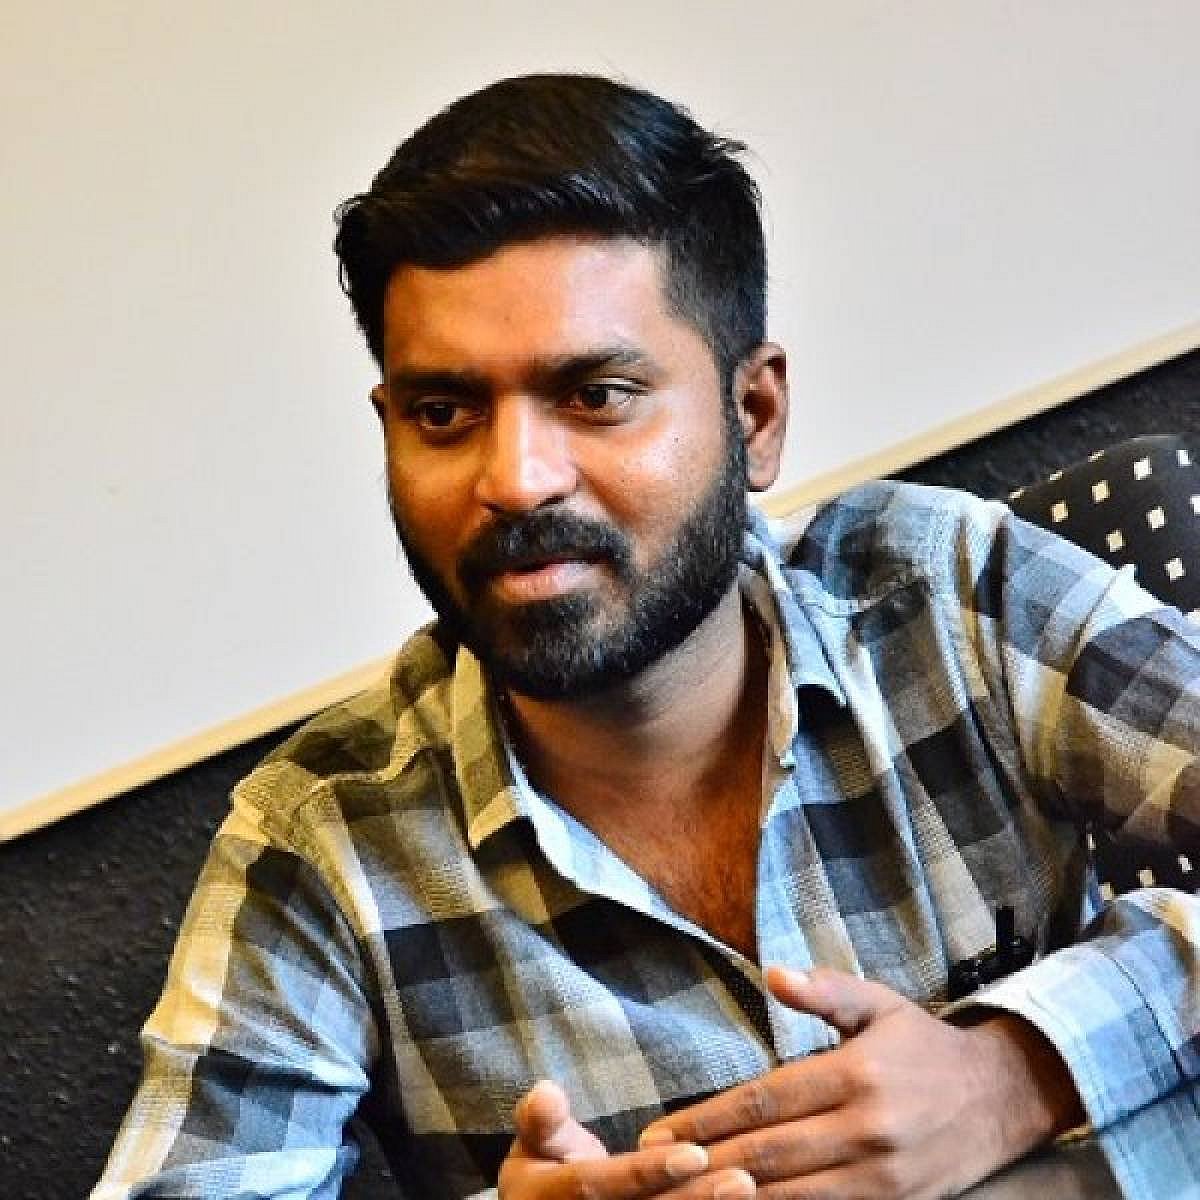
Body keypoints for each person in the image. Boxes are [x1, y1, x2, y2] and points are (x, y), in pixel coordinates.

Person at [93, 74, 1200, 1200]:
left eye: (598, 394)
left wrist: (1019, 1071)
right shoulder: (322, 839)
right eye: (444, 413)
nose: (516, 479)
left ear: (754, 416)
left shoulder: (952, 595)